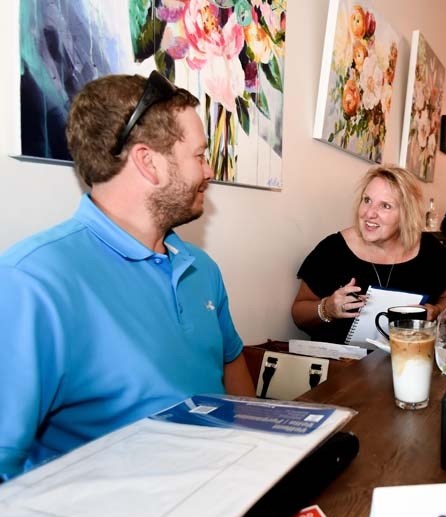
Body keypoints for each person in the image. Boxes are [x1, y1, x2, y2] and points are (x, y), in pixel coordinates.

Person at [0, 72, 255, 480]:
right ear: (148, 162)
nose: (209, 171)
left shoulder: (201, 269)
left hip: (224, 491)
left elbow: (233, 373)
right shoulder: (31, 283)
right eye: (200, 155)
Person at [292, 165, 446, 343]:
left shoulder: (430, 250)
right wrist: (327, 308)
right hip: (341, 364)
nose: (369, 213)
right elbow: (298, 313)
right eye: (367, 200)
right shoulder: (333, 250)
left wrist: (436, 312)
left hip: (405, 359)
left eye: (385, 206)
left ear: (406, 214)